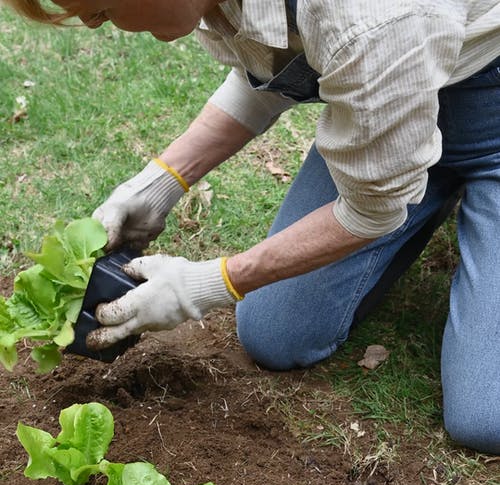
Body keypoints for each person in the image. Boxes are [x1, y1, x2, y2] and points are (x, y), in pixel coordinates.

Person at [5, 1, 500, 454]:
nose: (90, 21)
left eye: (98, 5)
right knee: (276, 333)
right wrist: (159, 184)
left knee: (484, 416)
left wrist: (207, 285)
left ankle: (409, 176)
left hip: (487, 107)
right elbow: (275, 75)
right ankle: (401, 167)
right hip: (398, 96)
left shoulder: (367, 18)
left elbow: (371, 211)